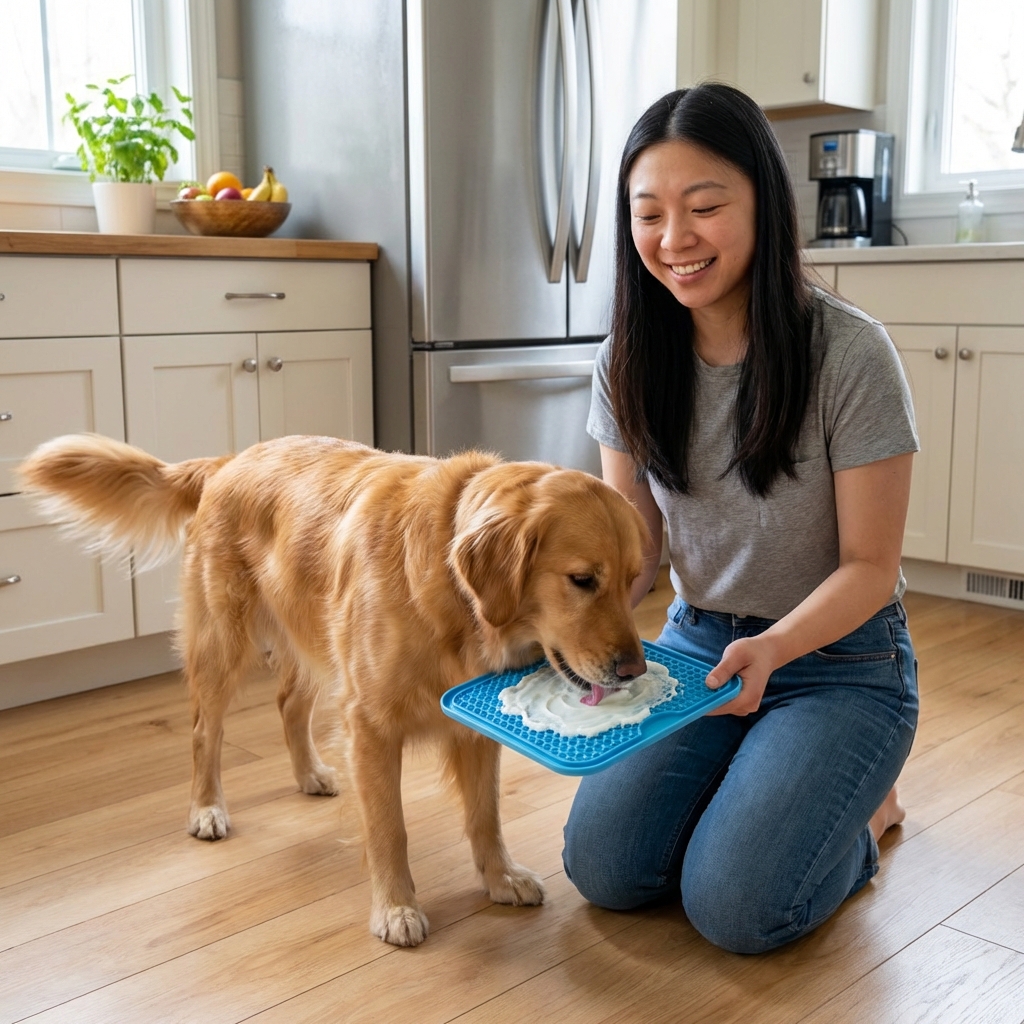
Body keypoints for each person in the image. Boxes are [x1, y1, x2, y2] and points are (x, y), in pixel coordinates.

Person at [561, 83, 920, 955]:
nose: (675, 240)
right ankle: (763, 790)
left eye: (705, 207)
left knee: (737, 909)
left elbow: (871, 567)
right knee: (605, 870)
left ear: (763, 199)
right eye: (649, 214)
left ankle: (865, 819)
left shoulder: (849, 351)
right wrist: (568, 621)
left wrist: (774, 650)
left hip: (842, 663)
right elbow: (635, 545)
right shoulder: (628, 359)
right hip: (697, 649)